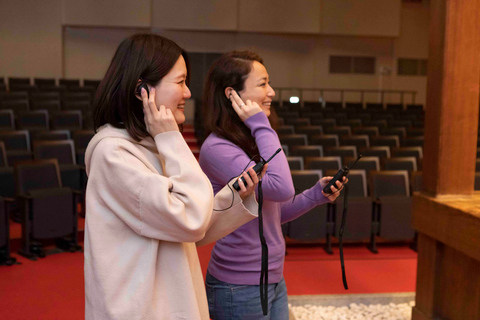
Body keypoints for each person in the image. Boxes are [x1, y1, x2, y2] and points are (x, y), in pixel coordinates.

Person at [84, 34, 267, 320]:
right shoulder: (114, 154)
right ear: (142, 90)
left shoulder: (152, 145)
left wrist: (235, 196)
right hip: (141, 309)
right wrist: (171, 139)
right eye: (180, 82)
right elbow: (189, 221)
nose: (188, 93)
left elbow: (186, 228)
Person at [199, 51, 346, 319]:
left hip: (273, 279)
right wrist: (261, 125)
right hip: (239, 286)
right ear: (232, 94)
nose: (272, 92)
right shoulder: (218, 148)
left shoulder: (254, 140)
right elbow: (282, 188)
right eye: (263, 84)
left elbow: (274, 211)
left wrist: (316, 195)